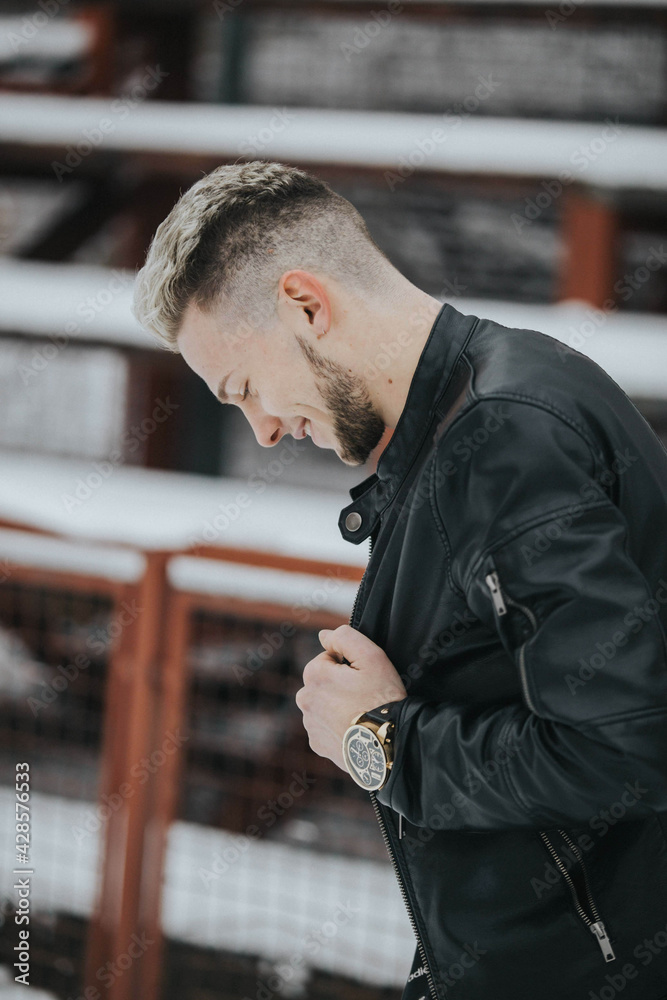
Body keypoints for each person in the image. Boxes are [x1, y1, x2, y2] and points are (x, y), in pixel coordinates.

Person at [132, 160, 667, 1000]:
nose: (263, 430)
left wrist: (379, 741)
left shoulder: (504, 439)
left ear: (305, 306)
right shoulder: (469, 417)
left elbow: (623, 749)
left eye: (241, 389)